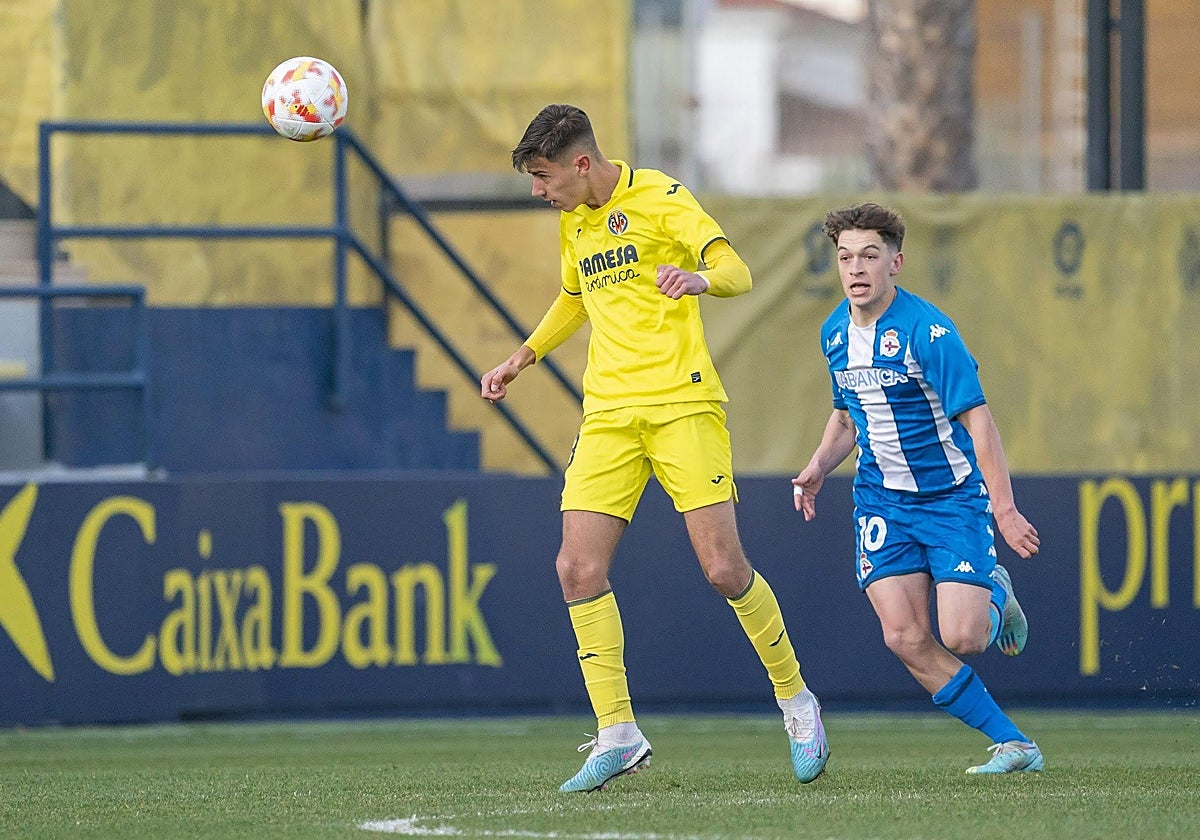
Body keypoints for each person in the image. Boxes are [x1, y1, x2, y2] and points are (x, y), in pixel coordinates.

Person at [481, 104, 829, 792]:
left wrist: (699, 279)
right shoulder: (575, 220)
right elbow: (574, 297)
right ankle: (618, 733)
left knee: (724, 569)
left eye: (544, 176)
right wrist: (522, 356)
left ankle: (796, 699)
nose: (539, 191)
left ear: (582, 164)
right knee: (577, 569)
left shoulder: (664, 198)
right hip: (609, 415)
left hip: (682, 406)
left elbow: (736, 271)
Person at [792, 202, 1043, 774]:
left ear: (895, 263)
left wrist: (1004, 511)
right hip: (881, 501)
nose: (856, 268)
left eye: (869, 256)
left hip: (951, 498)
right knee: (904, 637)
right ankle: (1014, 745)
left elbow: (979, 421)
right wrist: (818, 467)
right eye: (845, 257)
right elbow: (847, 417)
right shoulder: (834, 332)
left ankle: (996, 590)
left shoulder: (929, 332)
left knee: (964, 637)